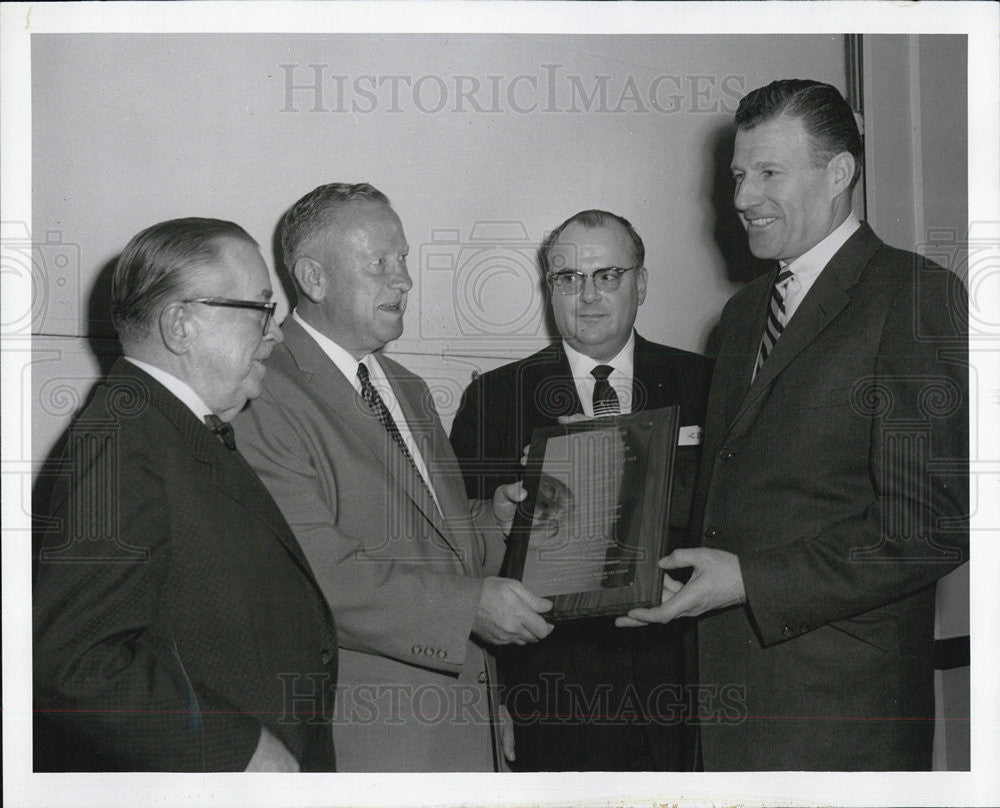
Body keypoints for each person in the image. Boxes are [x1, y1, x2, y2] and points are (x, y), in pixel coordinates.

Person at [618, 79, 969, 770]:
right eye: (740, 175)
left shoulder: (914, 297)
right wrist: (594, 500)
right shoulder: (744, 316)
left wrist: (750, 580)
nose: (743, 197)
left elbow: (929, 526)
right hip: (726, 697)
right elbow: (736, 482)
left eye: (769, 173)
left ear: (839, 173)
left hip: (840, 712)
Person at [233, 182, 553, 772]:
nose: (403, 279)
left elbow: (437, 541)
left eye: (403, 260)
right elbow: (312, 574)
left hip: (465, 720)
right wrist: (468, 611)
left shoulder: (405, 387)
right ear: (314, 278)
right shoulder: (262, 389)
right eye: (379, 263)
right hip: (371, 739)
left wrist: (494, 520)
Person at [33, 218, 339, 772]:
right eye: (261, 309)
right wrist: (235, 749)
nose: (274, 333)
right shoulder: (126, 441)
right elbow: (73, 663)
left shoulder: (168, 427)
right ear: (181, 325)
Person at [450, 209, 711, 771]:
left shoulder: (707, 383)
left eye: (607, 276)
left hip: (689, 685)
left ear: (640, 283)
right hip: (552, 697)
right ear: (550, 290)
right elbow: (463, 561)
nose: (588, 296)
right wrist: (492, 699)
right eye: (568, 279)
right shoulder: (495, 400)